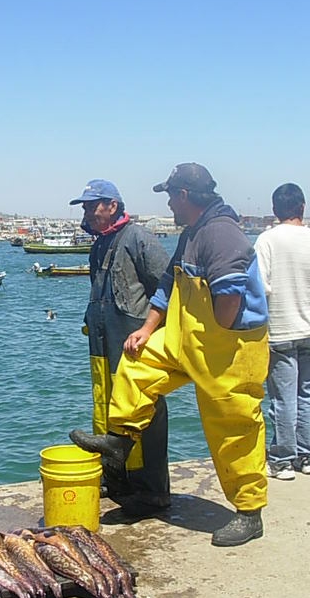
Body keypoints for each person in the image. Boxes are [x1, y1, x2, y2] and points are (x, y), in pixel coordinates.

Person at [70, 164, 269, 546]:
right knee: (138, 363)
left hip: (228, 346)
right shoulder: (192, 232)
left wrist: (214, 338)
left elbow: (229, 295)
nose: (168, 205)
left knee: (234, 426)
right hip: (186, 336)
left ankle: (249, 512)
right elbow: (167, 284)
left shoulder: (221, 232)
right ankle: (121, 439)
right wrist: (147, 330)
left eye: (170, 197)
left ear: (184, 196)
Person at [68, 179, 170, 515]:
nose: (86, 212)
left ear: (113, 205)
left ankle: (151, 490)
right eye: (84, 207)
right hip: (102, 344)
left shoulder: (138, 238)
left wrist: (149, 330)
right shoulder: (99, 244)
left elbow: (168, 287)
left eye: (91, 206)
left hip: (133, 344)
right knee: (107, 407)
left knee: (143, 410)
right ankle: (117, 480)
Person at [255, 183, 310, 480]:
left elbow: (260, 286)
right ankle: (306, 455)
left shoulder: (267, 240)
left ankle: (282, 460)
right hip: (308, 328)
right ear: (302, 207)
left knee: (282, 399)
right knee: (306, 395)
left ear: (275, 210)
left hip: (280, 329)